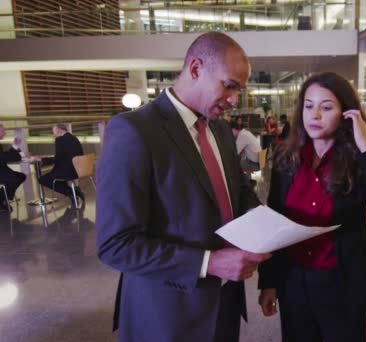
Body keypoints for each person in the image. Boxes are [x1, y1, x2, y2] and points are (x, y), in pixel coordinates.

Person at [95, 32, 271, 342]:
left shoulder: (218, 128)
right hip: (167, 313)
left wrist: (270, 227)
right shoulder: (134, 131)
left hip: (225, 303)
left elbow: (238, 192)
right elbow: (116, 244)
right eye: (229, 85)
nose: (234, 100)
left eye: (239, 90)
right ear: (195, 69)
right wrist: (209, 262)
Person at [257, 72, 366, 342]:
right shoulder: (286, 157)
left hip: (342, 284)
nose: (314, 115)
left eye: (326, 107)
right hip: (294, 282)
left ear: (346, 113)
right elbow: (274, 222)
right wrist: (268, 281)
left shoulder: (358, 160)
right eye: (308, 105)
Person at [37, 123, 84, 208]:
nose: (53, 134)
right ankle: (74, 191)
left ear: (59, 130)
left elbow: (58, 159)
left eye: (53, 131)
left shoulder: (60, 140)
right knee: (53, 177)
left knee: (42, 179)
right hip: (78, 169)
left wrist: (42, 159)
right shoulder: (74, 138)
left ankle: (72, 192)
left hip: (67, 171)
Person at [0, 124, 26, 212]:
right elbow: (6, 157)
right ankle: (2, 200)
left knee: (21, 176)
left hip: (2, 169)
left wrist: (15, 146)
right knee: (14, 179)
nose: (5, 133)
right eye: (3, 131)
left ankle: (5, 198)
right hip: (1, 170)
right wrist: (15, 147)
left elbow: (5, 156)